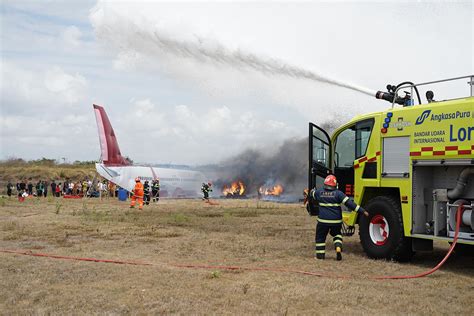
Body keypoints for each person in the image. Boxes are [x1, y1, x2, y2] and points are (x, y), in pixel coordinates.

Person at [309, 175, 369, 261]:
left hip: (323, 222)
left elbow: (312, 194)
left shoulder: (319, 192)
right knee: (337, 234)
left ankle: (320, 257)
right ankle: (338, 247)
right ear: (335, 185)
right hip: (336, 221)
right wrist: (362, 211)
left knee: (320, 238)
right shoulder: (339, 194)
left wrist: (310, 192)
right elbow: (350, 204)